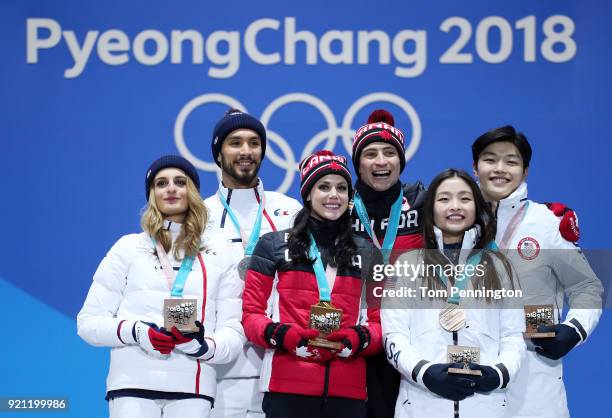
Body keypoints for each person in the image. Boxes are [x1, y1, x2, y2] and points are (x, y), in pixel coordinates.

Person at [77, 155, 245, 418]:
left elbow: (234, 331)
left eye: (180, 181)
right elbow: (87, 323)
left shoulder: (219, 251)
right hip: (132, 384)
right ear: (151, 194)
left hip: (194, 387)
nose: (171, 188)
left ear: (192, 192)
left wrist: (199, 344)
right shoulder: (128, 247)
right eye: (161, 183)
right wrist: (137, 332)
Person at [471, 126, 603, 418]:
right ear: (475, 167)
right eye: (490, 160)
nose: (500, 169)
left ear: (526, 171)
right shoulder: (456, 223)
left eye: (511, 161)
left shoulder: (547, 223)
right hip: (474, 370)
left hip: (534, 374)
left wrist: (573, 329)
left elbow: (587, 287)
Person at [242, 150, 382, 418]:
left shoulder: (367, 252)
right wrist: (283, 335)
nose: (334, 195)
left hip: (347, 392)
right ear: (307, 193)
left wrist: (358, 338)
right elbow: (251, 316)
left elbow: (378, 322)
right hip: (287, 388)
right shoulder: (272, 245)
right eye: (324, 187)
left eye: (342, 188)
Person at [382, 168, 525, 418]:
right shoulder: (406, 264)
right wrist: (424, 372)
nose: (455, 206)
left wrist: (499, 373)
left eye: (465, 198)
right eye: (444, 199)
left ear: (477, 207)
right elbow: (394, 336)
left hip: (485, 406)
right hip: (421, 404)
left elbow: (513, 336)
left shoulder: (500, 265)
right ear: (431, 209)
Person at [203, 109, 302, 418]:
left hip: (280, 364)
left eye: (254, 142)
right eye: (235, 142)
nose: (246, 151)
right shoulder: (199, 217)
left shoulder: (290, 210)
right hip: (218, 369)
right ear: (218, 154)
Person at [350, 109, 427, 418]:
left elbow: (477, 223)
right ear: (358, 163)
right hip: (354, 338)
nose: (381, 161)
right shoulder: (337, 202)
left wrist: (545, 217)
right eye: (370, 154)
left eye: (389, 153)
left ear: (400, 160)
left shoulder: (424, 201)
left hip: (410, 338)